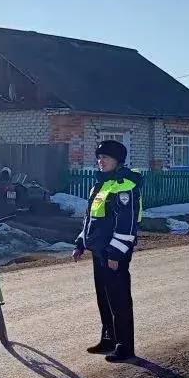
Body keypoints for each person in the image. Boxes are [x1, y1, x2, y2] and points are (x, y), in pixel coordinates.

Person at [72, 140, 142, 363]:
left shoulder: (126, 186)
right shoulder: (100, 184)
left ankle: (125, 346)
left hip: (115, 255)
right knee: (104, 298)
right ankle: (109, 339)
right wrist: (81, 243)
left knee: (119, 300)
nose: (101, 161)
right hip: (99, 252)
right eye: (99, 157)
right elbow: (90, 219)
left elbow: (128, 225)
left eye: (106, 158)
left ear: (118, 161)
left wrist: (115, 254)